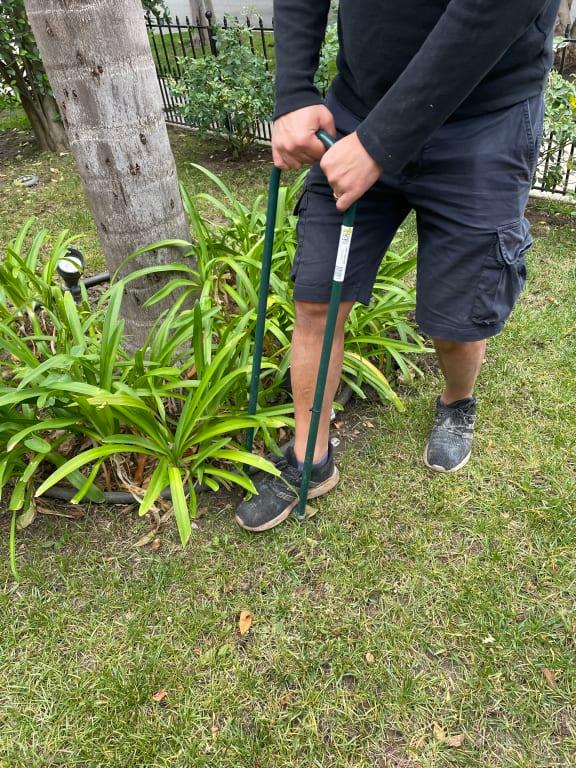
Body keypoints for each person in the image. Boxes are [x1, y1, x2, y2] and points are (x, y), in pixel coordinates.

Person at [235, 0, 561, 532]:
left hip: (483, 125)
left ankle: (457, 401)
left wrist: (379, 144)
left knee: (455, 321)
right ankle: (310, 460)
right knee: (318, 297)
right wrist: (294, 92)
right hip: (358, 113)